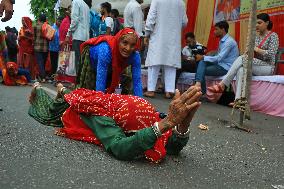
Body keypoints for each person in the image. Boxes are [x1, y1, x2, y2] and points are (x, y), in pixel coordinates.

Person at [28, 81, 202, 162]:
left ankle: (62, 88)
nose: (157, 128)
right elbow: (119, 148)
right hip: (75, 108)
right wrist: (164, 124)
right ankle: (47, 87)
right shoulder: (102, 118)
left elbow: (169, 145)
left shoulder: (146, 114)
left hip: (103, 99)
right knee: (58, 101)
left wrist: (182, 124)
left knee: (77, 92)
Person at [208, 13, 279, 103]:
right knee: (241, 69)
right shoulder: (256, 37)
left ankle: (222, 84)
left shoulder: (273, 36)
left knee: (242, 58)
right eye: (255, 23)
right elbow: (252, 54)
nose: (256, 25)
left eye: (259, 23)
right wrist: (249, 51)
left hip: (267, 67)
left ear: (267, 23)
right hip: (255, 65)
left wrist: (256, 49)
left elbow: (271, 54)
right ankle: (239, 100)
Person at [77, 28, 143, 97]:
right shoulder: (106, 50)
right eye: (125, 43)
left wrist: (140, 104)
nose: (128, 48)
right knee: (88, 93)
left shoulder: (135, 55)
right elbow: (100, 81)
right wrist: (100, 102)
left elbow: (137, 81)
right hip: (92, 61)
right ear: (118, 41)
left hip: (111, 65)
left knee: (123, 86)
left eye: (132, 45)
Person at [143, 0, 188, 99]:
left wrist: (147, 33)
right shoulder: (181, 2)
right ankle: (169, 91)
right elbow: (184, 22)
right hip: (173, 37)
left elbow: (151, 18)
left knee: (154, 63)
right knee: (170, 64)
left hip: (158, 35)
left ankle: (151, 90)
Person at [194, 20, 239, 94]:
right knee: (201, 63)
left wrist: (203, 57)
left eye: (216, 29)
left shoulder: (229, 42)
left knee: (201, 69)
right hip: (220, 64)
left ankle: (200, 89)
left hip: (226, 68)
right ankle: (199, 85)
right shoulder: (223, 40)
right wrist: (206, 56)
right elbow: (218, 56)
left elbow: (219, 58)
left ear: (223, 30)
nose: (214, 31)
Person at [65, 0, 91, 73]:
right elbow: (88, 23)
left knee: (77, 61)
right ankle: (81, 81)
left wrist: (68, 34)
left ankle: (77, 82)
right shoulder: (86, 6)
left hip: (78, 36)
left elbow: (74, 20)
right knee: (83, 61)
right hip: (85, 37)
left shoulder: (76, 2)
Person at [34, 13, 49, 82]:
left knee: (40, 63)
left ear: (39, 19)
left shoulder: (36, 26)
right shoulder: (47, 26)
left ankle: (43, 77)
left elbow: (34, 37)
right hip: (45, 47)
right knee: (43, 63)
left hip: (37, 47)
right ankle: (42, 76)